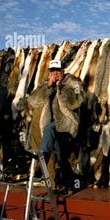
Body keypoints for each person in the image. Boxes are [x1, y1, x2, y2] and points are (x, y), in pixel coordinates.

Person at [27, 59, 85, 193]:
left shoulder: (74, 82)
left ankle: (40, 158)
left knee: (49, 131)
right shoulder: (46, 84)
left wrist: (61, 88)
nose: (55, 73)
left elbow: (75, 101)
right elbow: (33, 101)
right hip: (51, 126)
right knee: (60, 153)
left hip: (67, 124)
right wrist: (47, 86)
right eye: (52, 71)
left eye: (57, 71)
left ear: (63, 70)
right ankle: (64, 184)